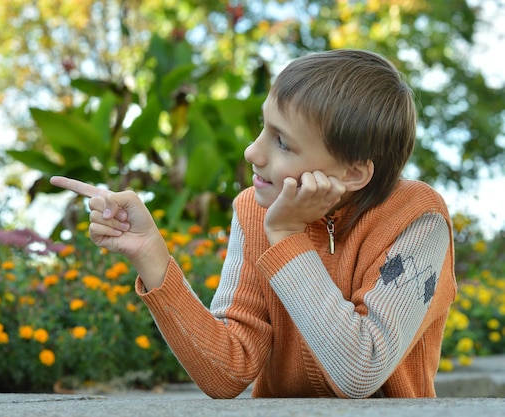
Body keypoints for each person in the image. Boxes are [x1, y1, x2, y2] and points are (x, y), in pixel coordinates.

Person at [50, 49, 456, 399]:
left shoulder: (418, 219)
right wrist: (150, 254)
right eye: (264, 127)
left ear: (352, 174)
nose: (252, 152)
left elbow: (360, 370)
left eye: (282, 142)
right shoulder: (254, 209)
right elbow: (227, 371)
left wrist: (286, 236)